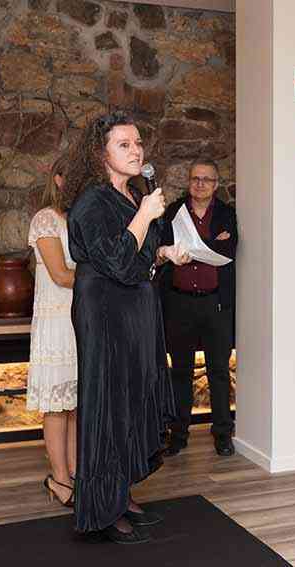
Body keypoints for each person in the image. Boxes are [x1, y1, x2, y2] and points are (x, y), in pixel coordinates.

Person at [64, 111, 184, 544]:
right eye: (124, 145)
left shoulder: (135, 196)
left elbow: (137, 260)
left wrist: (164, 254)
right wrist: (146, 216)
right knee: (109, 403)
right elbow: (113, 259)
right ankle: (101, 507)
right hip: (105, 312)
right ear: (101, 154)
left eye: (138, 143)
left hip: (137, 308)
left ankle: (122, 491)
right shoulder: (91, 203)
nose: (136, 151)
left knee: (133, 398)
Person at [160, 157, 238, 457]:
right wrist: (208, 245)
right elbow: (165, 248)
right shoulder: (173, 212)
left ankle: (222, 435)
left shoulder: (227, 215)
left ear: (216, 185)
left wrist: (191, 248)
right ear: (189, 182)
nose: (200, 184)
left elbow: (228, 249)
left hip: (215, 303)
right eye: (195, 179)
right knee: (180, 371)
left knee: (219, 371)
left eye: (206, 179)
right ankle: (178, 436)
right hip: (179, 303)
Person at [27, 153, 77, 507]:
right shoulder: (45, 219)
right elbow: (60, 275)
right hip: (55, 322)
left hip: (81, 320)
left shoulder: (81, 219)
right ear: (57, 179)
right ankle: (59, 480)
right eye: (70, 176)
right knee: (57, 406)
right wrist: (106, 275)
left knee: (77, 405)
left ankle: (75, 474)